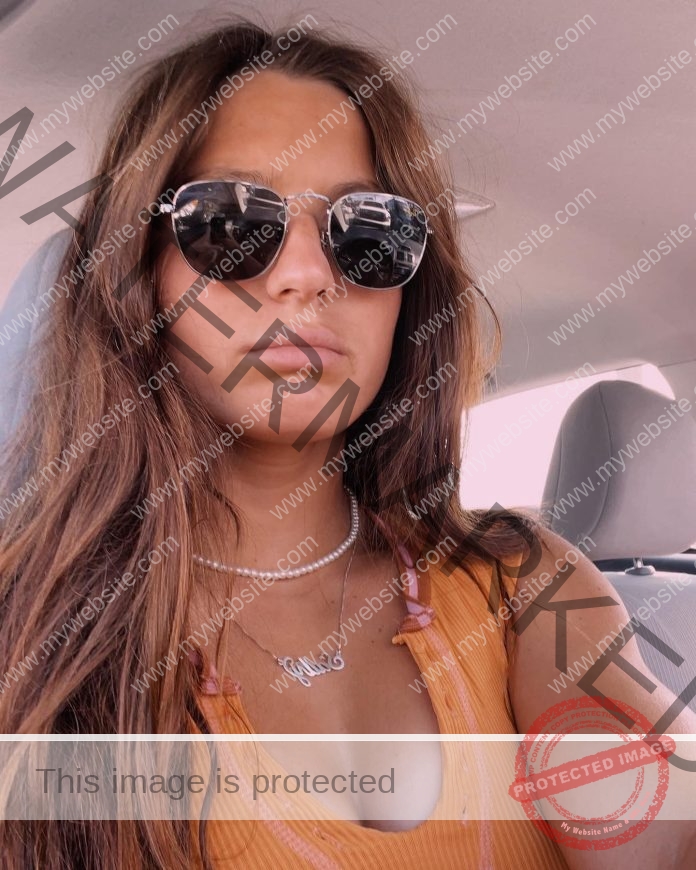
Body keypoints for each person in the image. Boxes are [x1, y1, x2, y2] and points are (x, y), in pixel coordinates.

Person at [0, 20, 693, 870]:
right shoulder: (27, 624)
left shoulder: (523, 587)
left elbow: (658, 832)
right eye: (228, 222)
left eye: (369, 233)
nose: (307, 273)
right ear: (140, 275)